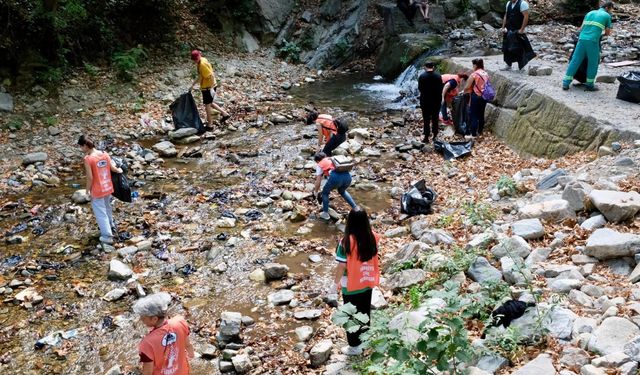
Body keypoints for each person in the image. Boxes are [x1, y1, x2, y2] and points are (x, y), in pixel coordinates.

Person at [332, 208, 380, 356]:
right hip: (367, 280)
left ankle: (354, 346)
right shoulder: (373, 237)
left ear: (349, 222)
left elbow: (341, 266)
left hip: (351, 283)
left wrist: (334, 285)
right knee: (365, 310)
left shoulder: (346, 242)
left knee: (351, 314)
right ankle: (365, 339)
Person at [133, 292, 194, 375]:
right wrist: (191, 357)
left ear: (154, 319)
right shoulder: (180, 322)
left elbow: (148, 372)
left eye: (143, 317)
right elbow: (188, 345)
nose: (140, 319)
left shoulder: (147, 343)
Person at [78, 135, 122, 245]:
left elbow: (90, 178)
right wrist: (119, 170)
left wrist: (87, 191)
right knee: (107, 207)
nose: (81, 149)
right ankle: (111, 226)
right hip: (108, 186)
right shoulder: (104, 154)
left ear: (85, 146)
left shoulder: (88, 159)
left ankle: (107, 236)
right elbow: (112, 168)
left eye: (81, 147)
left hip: (97, 190)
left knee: (100, 212)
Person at [562, 1, 614, 91]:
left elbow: (582, 28)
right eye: (611, 9)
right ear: (607, 8)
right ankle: (589, 85)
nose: (611, 11)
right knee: (593, 63)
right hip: (593, 41)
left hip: (581, 40)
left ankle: (566, 83)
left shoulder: (589, 13)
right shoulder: (607, 16)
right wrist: (599, 34)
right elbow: (607, 33)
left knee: (575, 60)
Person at [189, 50, 231, 127]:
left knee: (207, 105)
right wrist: (193, 84)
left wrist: (211, 88)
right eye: (194, 59)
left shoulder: (202, 64)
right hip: (209, 86)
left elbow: (210, 76)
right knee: (210, 103)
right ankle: (225, 114)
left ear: (198, 57)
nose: (195, 60)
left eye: (196, 59)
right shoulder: (202, 60)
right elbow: (201, 75)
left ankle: (210, 124)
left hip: (208, 88)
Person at [312, 152, 357, 221]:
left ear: (317, 161)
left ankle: (325, 214)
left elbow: (318, 181)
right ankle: (355, 208)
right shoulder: (332, 159)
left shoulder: (320, 164)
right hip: (348, 177)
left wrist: (315, 191)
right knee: (342, 191)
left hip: (336, 178)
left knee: (325, 193)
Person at [500, 0, 536, 71]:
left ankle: (521, 67)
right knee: (507, 48)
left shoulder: (522, 4)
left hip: (518, 29)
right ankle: (508, 65)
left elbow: (526, 16)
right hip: (509, 29)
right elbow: (506, 15)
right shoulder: (508, 3)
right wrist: (503, 27)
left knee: (519, 48)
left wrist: (522, 29)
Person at [463, 58, 490, 140]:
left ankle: (473, 134)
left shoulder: (474, 74)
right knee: (481, 114)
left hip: (476, 96)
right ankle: (480, 131)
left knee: (473, 114)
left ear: (475, 65)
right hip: (484, 96)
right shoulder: (486, 73)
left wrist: (464, 91)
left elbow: (467, 87)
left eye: (473, 65)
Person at [417, 61, 443, 143]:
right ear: (433, 67)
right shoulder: (438, 76)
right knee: (435, 118)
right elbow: (441, 88)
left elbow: (420, 88)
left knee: (426, 119)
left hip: (425, 100)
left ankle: (426, 137)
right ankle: (435, 135)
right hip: (436, 101)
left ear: (425, 67)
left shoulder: (422, 76)